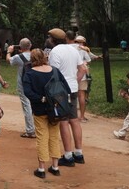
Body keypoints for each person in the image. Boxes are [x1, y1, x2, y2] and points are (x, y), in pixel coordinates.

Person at [23, 48, 70, 179]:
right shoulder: (55, 70)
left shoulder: (30, 73)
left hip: (39, 109)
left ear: (31, 59)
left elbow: (27, 92)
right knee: (54, 136)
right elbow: (65, 88)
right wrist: (55, 100)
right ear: (45, 57)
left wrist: (41, 99)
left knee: (42, 137)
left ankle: (41, 168)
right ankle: (55, 167)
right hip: (55, 109)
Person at [47, 28, 86, 166]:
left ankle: (68, 155)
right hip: (73, 89)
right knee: (74, 120)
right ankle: (79, 153)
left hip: (61, 91)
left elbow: (53, 73)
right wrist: (75, 81)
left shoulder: (55, 52)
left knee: (63, 121)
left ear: (52, 40)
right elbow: (82, 69)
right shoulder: (73, 50)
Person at [7, 38, 36, 138]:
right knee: (35, 104)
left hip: (23, 84)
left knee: (26, 105)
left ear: (20, 47)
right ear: (30, 45)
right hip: (35, 83)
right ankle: (38, 128)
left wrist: (8, 51)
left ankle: (30, 130)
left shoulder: (18, 57)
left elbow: (8, 60)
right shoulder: (35, 55)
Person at [73, 35, 96, 122]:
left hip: (72, 75)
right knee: (82, 95)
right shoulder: (83, 50)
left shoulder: (71, 49)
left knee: (71, 96)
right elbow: (89, 60)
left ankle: (72, 116)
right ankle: (82, 117)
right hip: (82, 75)